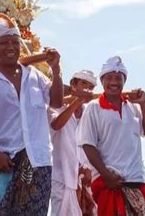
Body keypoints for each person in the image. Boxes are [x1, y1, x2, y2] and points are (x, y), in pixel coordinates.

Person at [0, 14, 63, 215]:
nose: (10, 47)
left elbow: (56, 102)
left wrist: (56, 70)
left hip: (39, 162)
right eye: (3, 43)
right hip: (6, 161)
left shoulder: (35, 76)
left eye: (14, 42)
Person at [77, 56, 145, 215]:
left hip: (136, 180)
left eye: (118, 78)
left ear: (124, 81)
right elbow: (88, 145)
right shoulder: (94, 108)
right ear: (102, 81)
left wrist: (144, 103)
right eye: (109, 78)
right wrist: (106, 175)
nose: (114, 82)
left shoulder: (132, 106)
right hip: (109, 183)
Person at [49, 70, 97, 216]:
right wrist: (76, 103)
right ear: (73, 85)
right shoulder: (56, 106)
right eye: (83, 84)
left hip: (84, 180)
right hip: (61, 177)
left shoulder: (90, 114)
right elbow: (55, 125)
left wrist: (87, 168)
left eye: (90, 87)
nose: (86, 89)